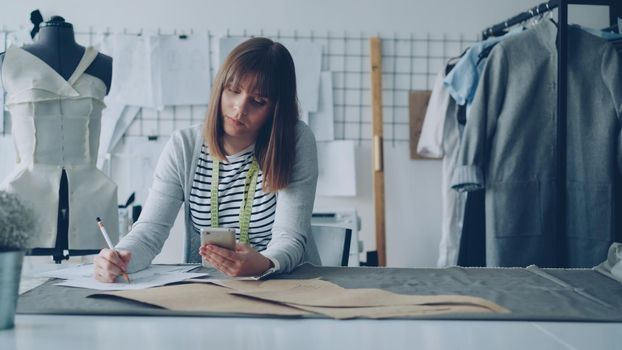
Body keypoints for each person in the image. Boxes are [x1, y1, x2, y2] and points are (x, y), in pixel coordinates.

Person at [94, 37, 320, 282]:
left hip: (285, 285)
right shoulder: (184, 146)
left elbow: (291, 238)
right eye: (233, 91)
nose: (239, 108)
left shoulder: (295, 139)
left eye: (258, 101)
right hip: (211, 288)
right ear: (219, 88)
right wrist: (120, 258)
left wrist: (264, 263)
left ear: (276, 109)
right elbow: (149, 232)